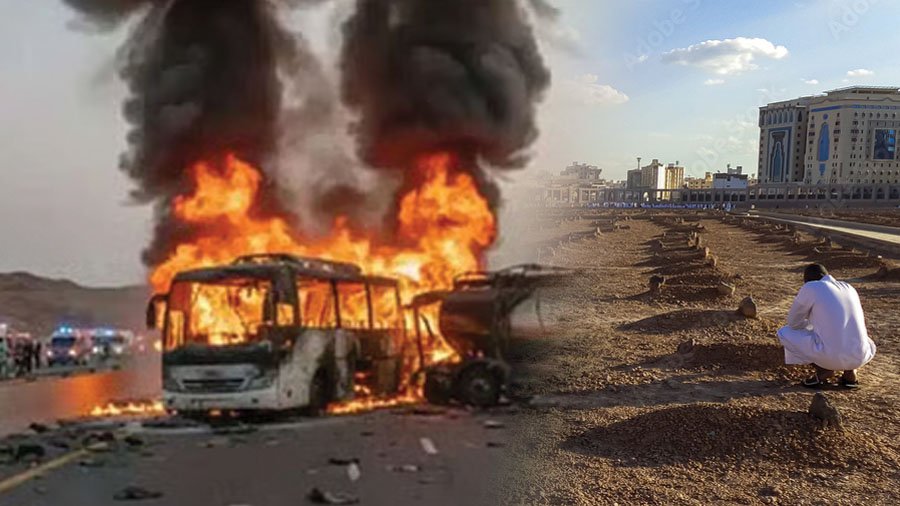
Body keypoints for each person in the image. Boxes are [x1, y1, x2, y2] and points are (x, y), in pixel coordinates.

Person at [777, 264, 877, 389]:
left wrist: (810, 325)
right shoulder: (849, 287)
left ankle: (824, 369)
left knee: (784, 332)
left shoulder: (811, 286)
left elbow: (793, 322)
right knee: (856, 335)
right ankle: (850, 371)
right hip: (861, 356)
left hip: (829, 357)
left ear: (806, 280)